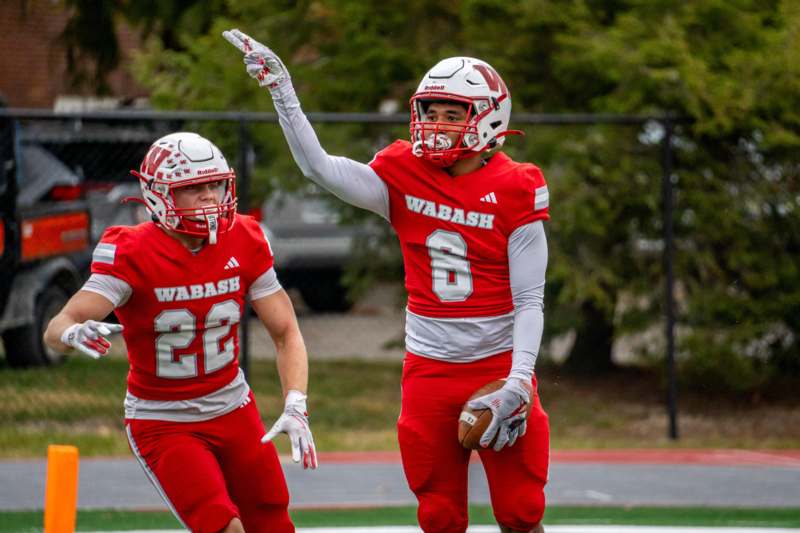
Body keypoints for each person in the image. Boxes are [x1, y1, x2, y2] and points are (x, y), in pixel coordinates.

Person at [225, 30, 550, 533]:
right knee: (438, 515)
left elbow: (530, 299)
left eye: (453, 113)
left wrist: (520, 380)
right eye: (430, 112)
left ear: (488, 118)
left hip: (498, 362)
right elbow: (320, 168)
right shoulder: (404, 171)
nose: (436, 125)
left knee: (521, 512)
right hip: (429, 370)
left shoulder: (516, 186)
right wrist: (283, 91)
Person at [44, 131, 317, 533]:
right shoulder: (132, 252)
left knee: (273, 521)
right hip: (165, 420)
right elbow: (57, 325)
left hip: (233, 408)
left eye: (215, 184)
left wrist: (295, 402)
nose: (210, 197)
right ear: (158, 195)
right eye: (194, 188)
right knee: (223, 526)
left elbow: (285, 330)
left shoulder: (244, 237)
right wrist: (71, 334)